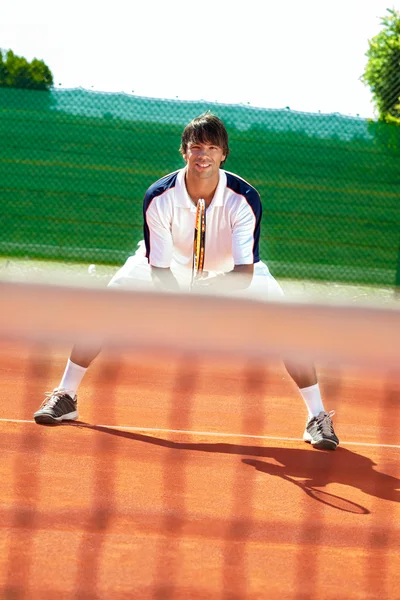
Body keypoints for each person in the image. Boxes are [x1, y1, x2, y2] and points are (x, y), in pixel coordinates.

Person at [34, 112, 339, 451]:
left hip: (232, 272)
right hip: (166, 266)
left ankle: (317, 416)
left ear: (224, 154)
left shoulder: (244, 199)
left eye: (212, 147)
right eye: (195, 147)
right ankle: (66, 396)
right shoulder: (159, 196)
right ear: (184, 152)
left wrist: (213, 290)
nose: (203, 154)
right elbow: (160, 271)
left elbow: (243, 274)